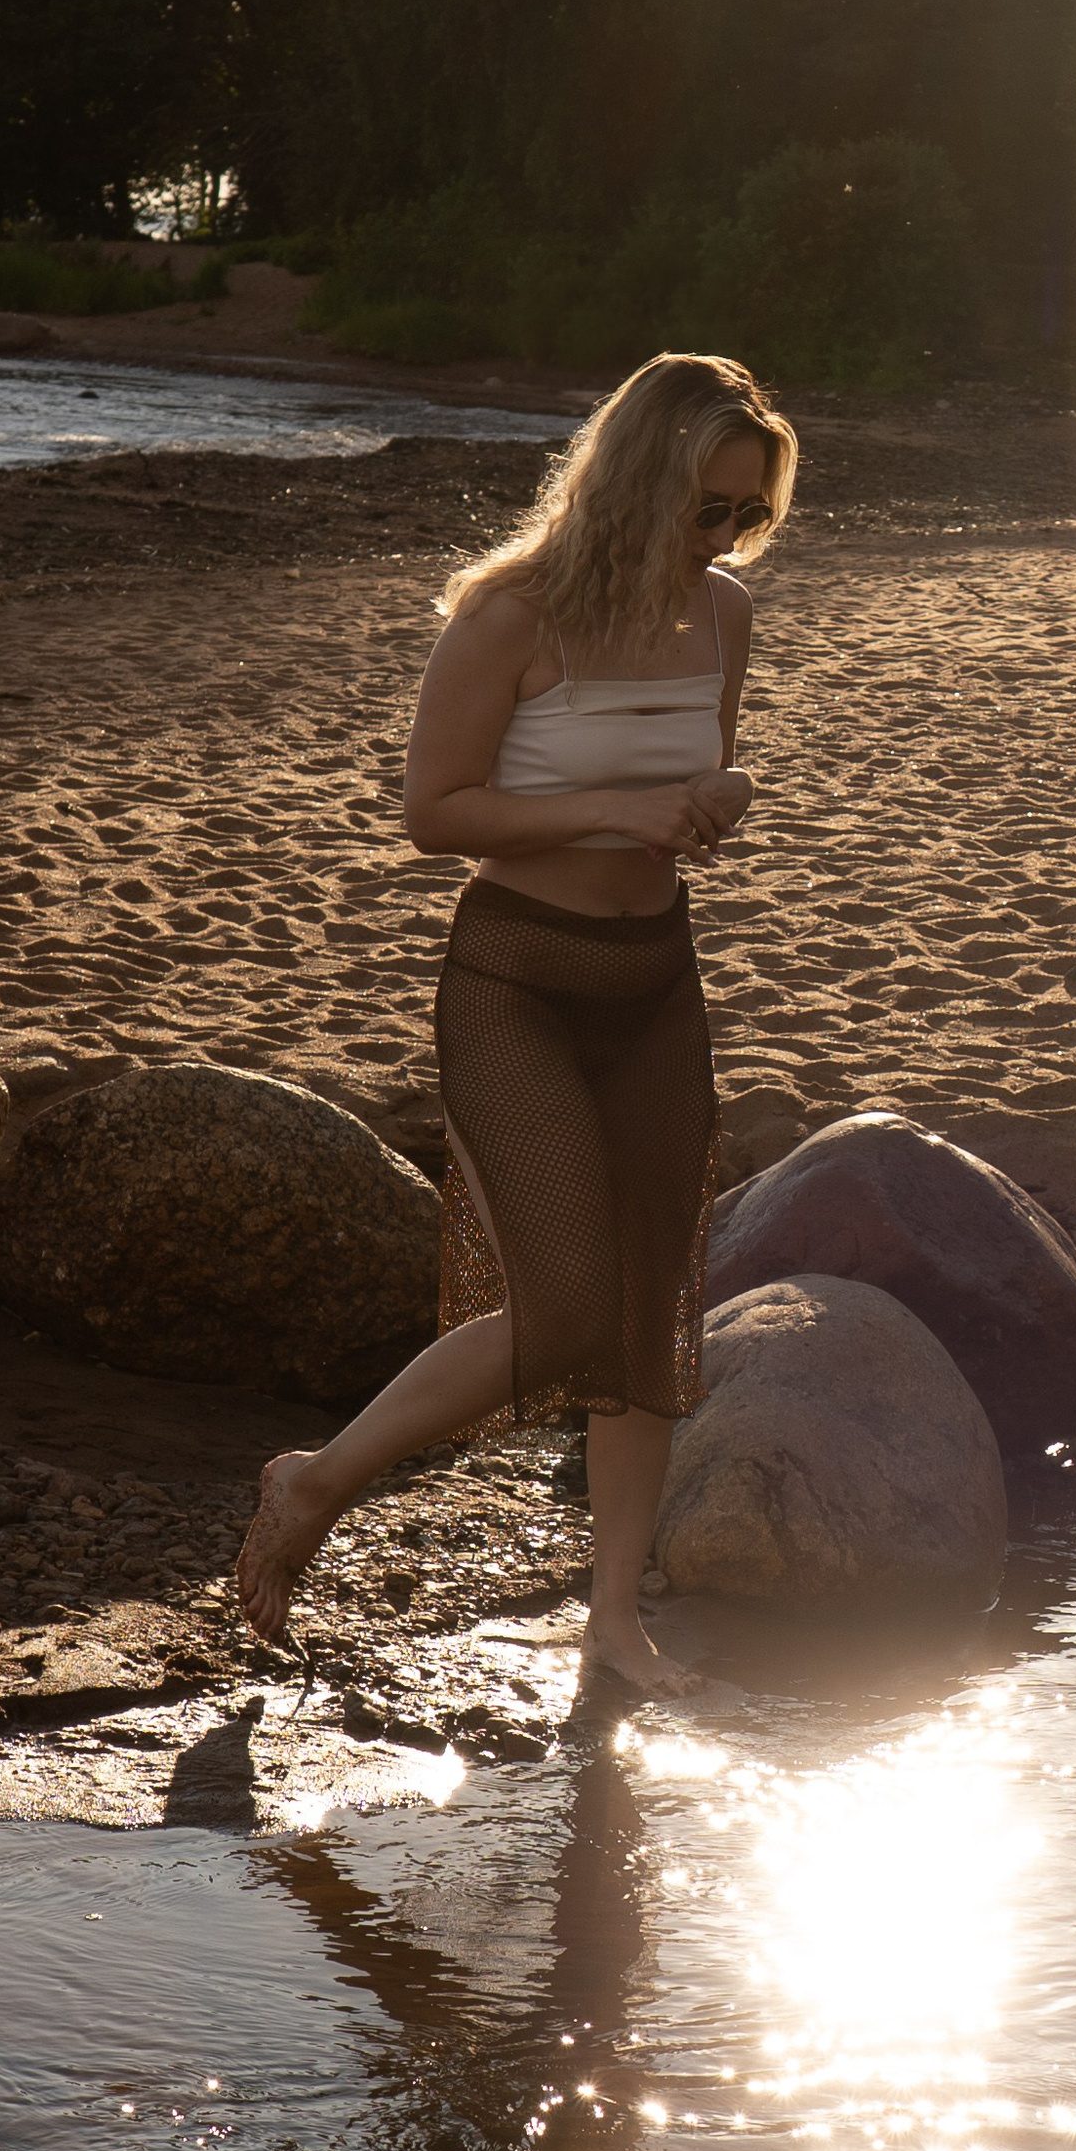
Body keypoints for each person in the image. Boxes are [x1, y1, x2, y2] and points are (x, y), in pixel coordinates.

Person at [235, 348, 795, 1698]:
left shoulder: (721, 620)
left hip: (654, 980)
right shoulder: (510, 616)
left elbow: (688, 775)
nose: (723, 539)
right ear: (636, 484)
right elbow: (435, 811)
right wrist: (614, 813)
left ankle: (612, 1619)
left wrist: (708, 808)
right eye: (706, 507)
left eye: (746, 516)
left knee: (653, 1312)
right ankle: (315, 1482)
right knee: (561, 1307)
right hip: (518, 982)